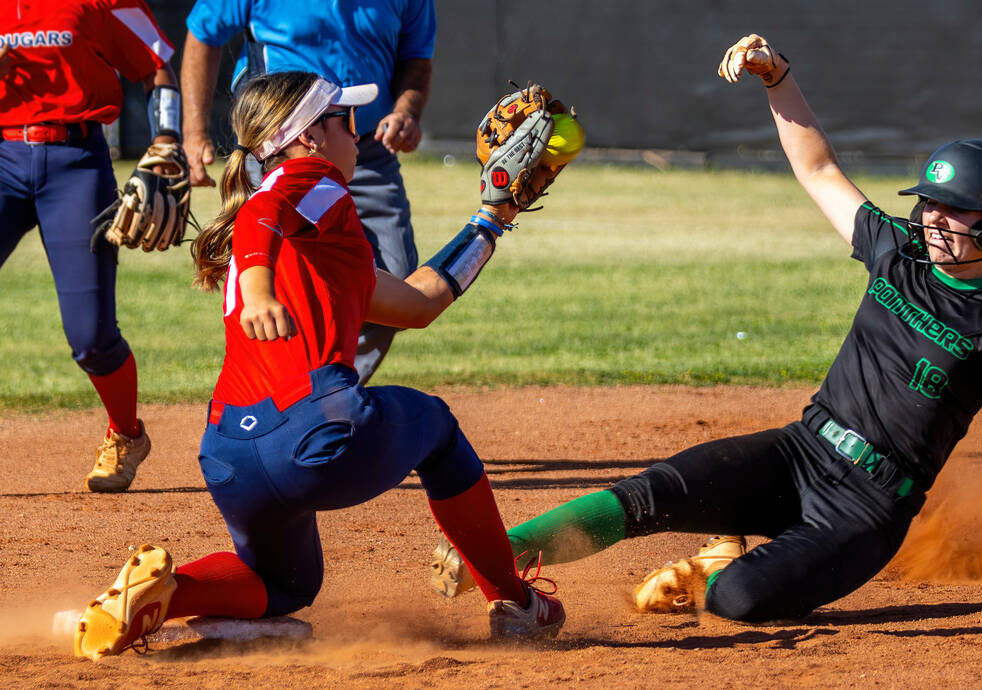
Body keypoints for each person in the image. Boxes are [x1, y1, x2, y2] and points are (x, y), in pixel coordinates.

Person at [430, 34, 982, 624]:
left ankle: (718, 561)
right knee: (648, 493)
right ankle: (494, 554)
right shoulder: (894, 250)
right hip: (800, 451)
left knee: (736, 601)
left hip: (866, 511)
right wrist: (777, 78)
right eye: (929, 201)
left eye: (954, 209)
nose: (932, 216)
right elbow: (818, 169)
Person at [73, 71, 565, 661]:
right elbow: (262, 215)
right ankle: (512, 601)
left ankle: (164, 594)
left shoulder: (323, 239)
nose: (358, 137)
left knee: (287, 584)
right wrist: (257, 291)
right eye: (346, 122)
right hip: (314, 438)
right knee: (435, 426)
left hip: (229, 453)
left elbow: (419, 302)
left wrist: (491, 217)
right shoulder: (311, 181)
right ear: (306, 137)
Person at [181, 0, 435, 385]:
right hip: (284, 149)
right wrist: (193, 132)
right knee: (285, 280)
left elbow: (416, 57)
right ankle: (292, 401)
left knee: (398, 283)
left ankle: (324, 395)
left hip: (365, 148)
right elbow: (203, 34)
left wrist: (407, 112)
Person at [0, 0, 182, 492]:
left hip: (74, 162)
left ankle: (126, 434)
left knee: (92, 335)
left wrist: (167, 137)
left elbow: (156, 64)